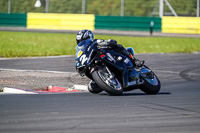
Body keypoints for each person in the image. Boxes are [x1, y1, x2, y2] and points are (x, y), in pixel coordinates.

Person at [76, 29, 144, 68]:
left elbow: (104, 42)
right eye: (80, 41)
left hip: (109, 55)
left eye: (84, 40)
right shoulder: (81, 52)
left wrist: (108, 42)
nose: (82, 43)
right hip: (96, 62)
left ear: (89, 37)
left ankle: (134, 60)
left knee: (118, 46)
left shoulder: (95, 42)